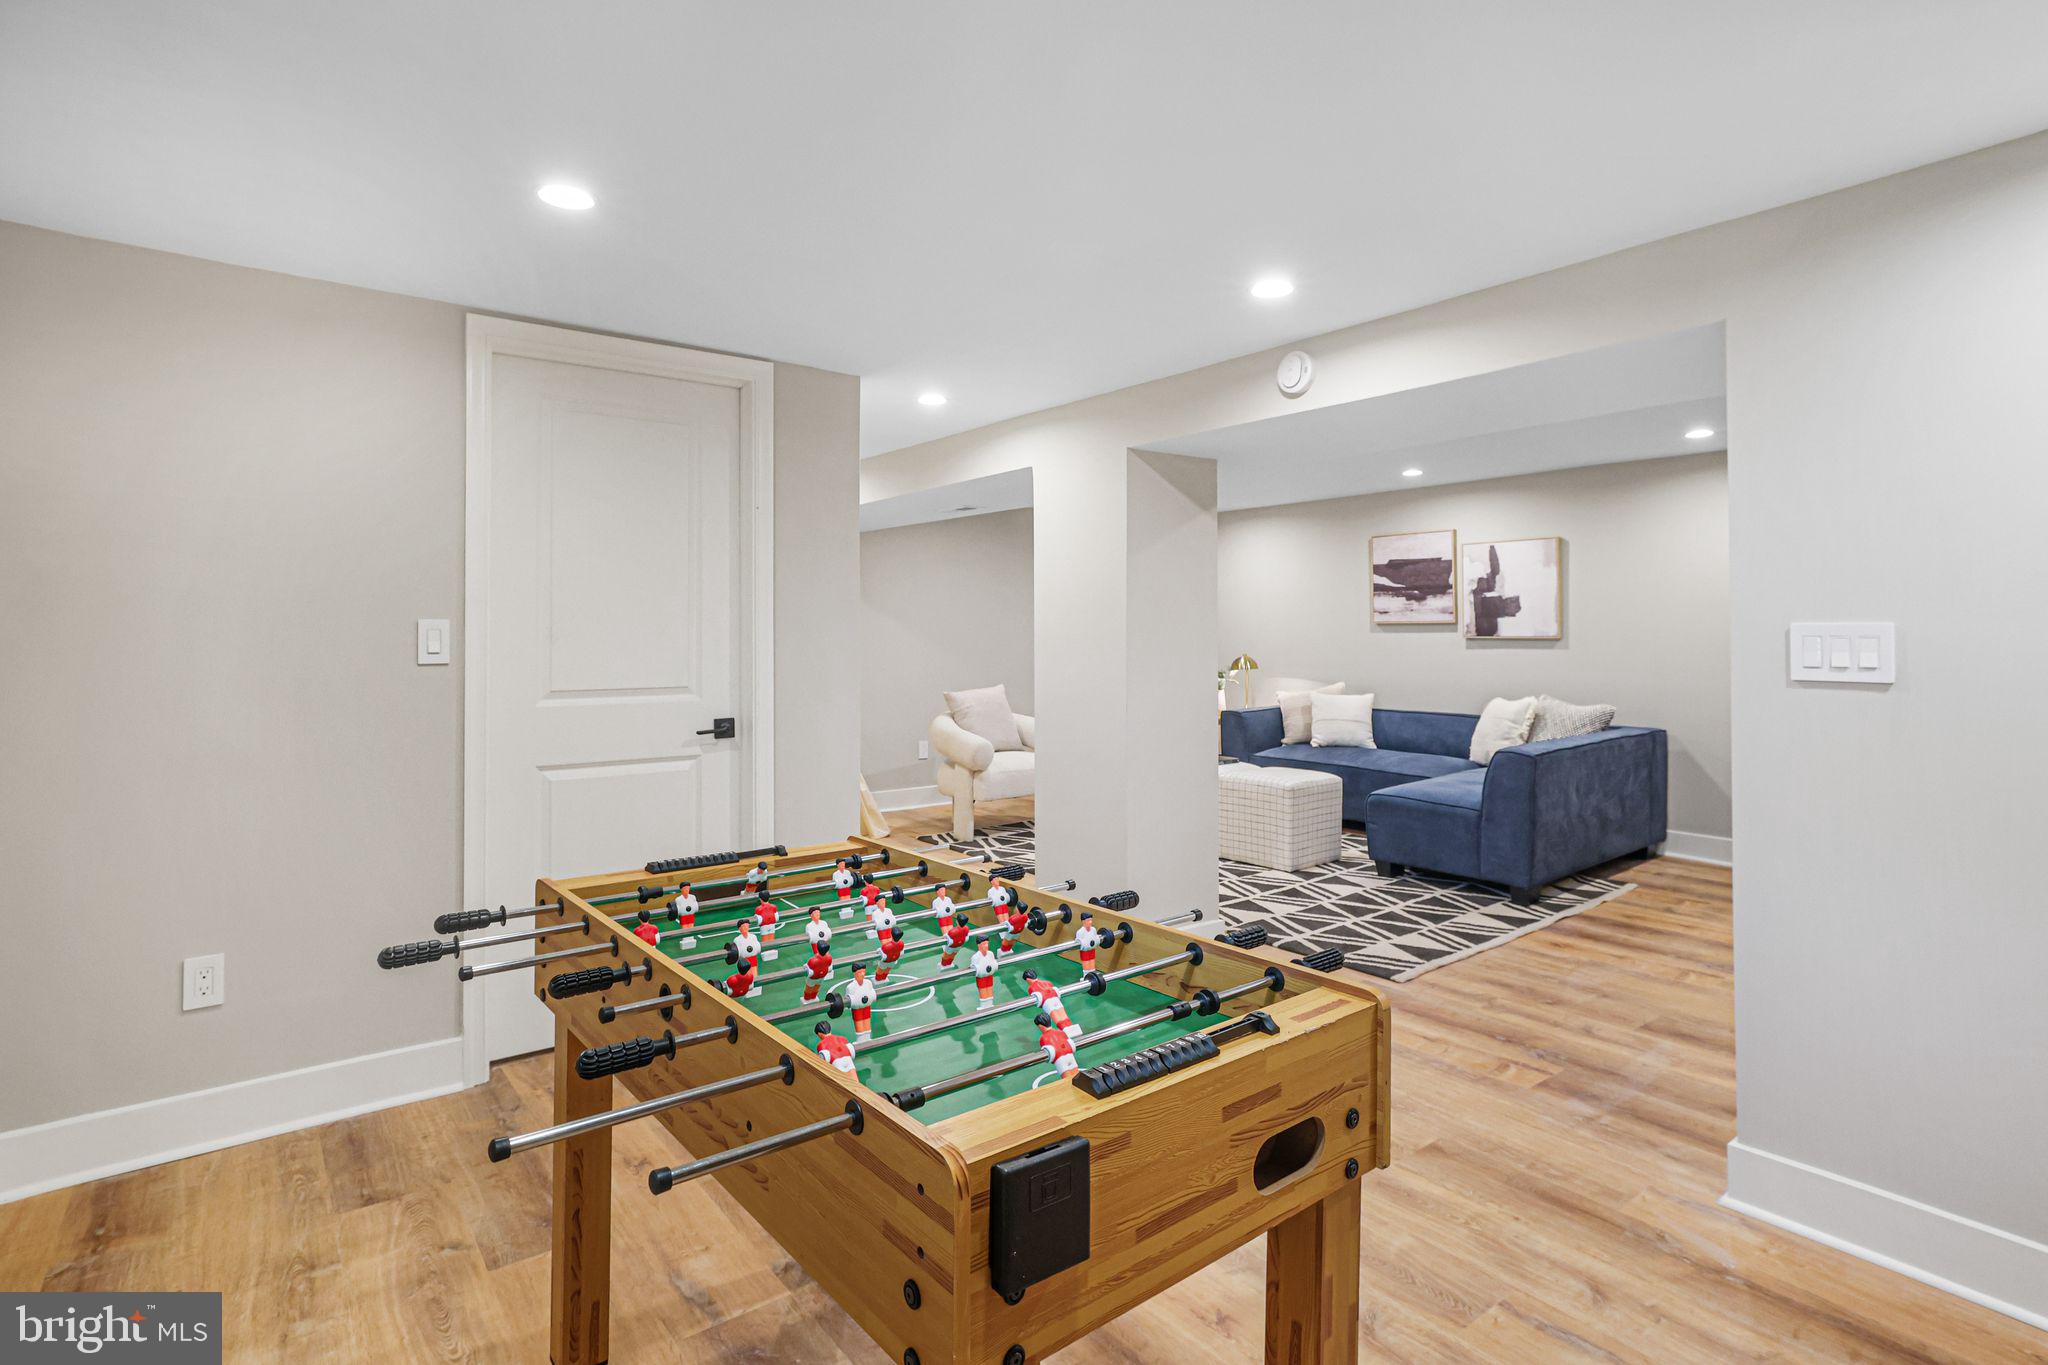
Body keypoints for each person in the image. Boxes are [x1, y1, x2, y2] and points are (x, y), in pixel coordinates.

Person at [1020, 969, 1078, 1036]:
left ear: (1028, 979)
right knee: (1064, 1016)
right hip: (1055, 999)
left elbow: (1038, 997)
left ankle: (1067, 1035)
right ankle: (1074, 1031)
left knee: (1057, 1018)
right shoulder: (1047, 982)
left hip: (1047, 1002)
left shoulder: (1031, 988)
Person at [1036, 1010, 1079, 1076]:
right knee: (1078, 1078)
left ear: (1040, 1026)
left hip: (1060, 1060)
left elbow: (1050, 1054)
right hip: (1070, 1056)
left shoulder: (1043, 1038)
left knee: (1068, 1081)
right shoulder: (1061, 1032)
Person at [844, 965, 879, 1042]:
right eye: (860, 972)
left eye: (864, 971)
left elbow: (872, 993)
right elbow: (848, 1000)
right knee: (859, 1022)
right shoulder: (851, 987)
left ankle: (867, 1038)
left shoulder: (868, 983)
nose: (862, 974)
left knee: (867, 1021)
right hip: (857, 1009)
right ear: (855, 973)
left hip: (866, 1007)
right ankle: (860, 1039)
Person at [970, 940, 1000, 1009]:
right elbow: (973, 966)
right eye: (984, 944)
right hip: (981, 977)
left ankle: (990, 1004)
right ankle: (984, 1006)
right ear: (979, 945)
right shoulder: (975, 957)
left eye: (987, 944)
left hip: (989, 975)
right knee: (983, 990)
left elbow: (994, 962)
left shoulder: (990, 954)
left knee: (989, 988)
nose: (986, 946)